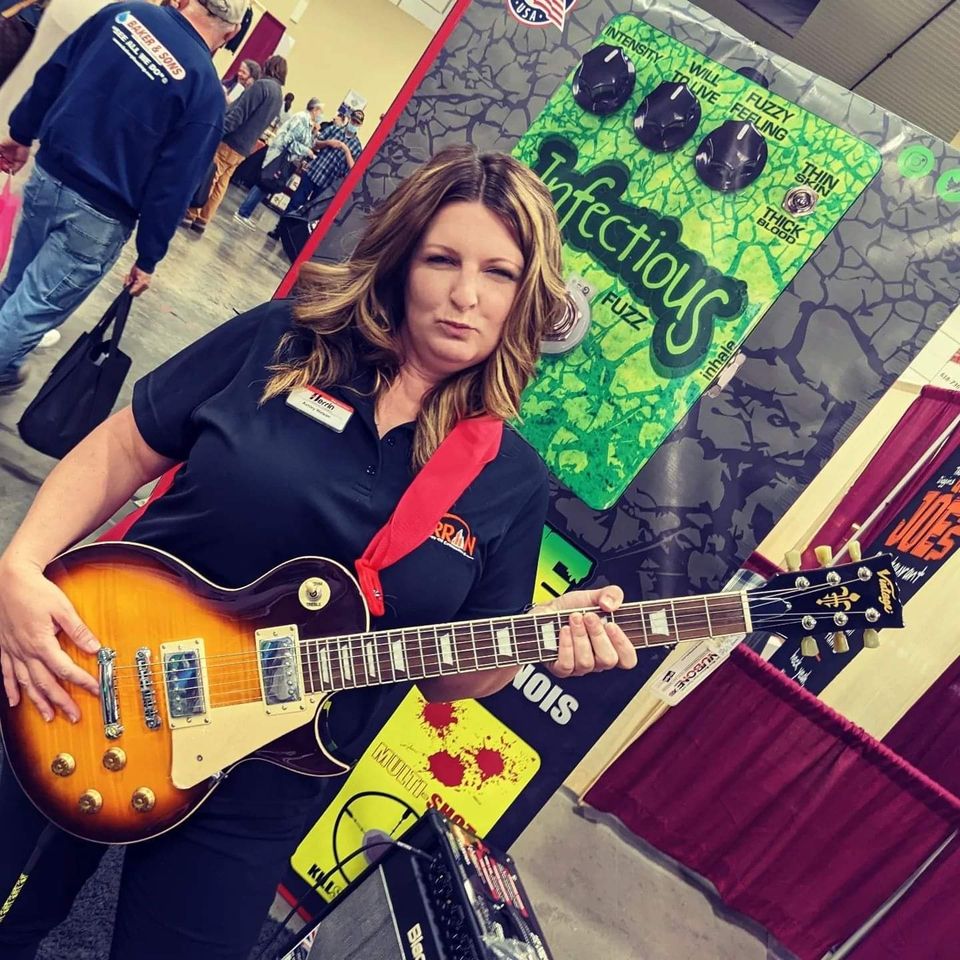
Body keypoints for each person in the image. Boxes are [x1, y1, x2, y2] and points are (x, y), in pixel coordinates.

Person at [0, 145, 639, 959]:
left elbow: (451, 676)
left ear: (528, 296)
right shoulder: (285, 340)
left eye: (500, 273)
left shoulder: (510, 480)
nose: (466, 295)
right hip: (100, 681)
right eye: (443, 259)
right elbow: (124, 450)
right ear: (404, 258)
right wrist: (19, 566)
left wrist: (544, 637)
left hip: (269, 779)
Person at [0, 0, 244, 396]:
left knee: (16, 286)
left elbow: (56, 71)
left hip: (49, 175)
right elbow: (174, 184)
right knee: (32, 309)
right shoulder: (204, 92)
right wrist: (148, 257)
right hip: (99, 216)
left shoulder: (125, 14)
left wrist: (22, 132)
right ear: (231, 33)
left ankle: (6, 365)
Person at [182, 53, 286, 233]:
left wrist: (219, 131)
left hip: (231, 140)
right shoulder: (278, 96)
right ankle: (203, 219)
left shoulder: (261, 86)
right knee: (222, 182)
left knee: (211, 176)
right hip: (246, 147)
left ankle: (191, 213)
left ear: (270, 65)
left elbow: (239, 114)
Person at [234, 95, 323, 226]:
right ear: (315, 109)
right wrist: (306, 151)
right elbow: (289, 139)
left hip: (288, 160)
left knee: (268, 186)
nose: (321, 115)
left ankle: (247, 212)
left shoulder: (309, 125)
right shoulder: (301, 118)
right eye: (320, 112)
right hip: (280, 156)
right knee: (264, 183)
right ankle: (243, 211)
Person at [286, 106, 364, 214]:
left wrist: (346, 151)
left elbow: (353, 170)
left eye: (357, 123)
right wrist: (328, 143)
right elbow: (314, 144)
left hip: (327, 184)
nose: (354, 124)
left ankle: (293, 230)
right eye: (353, 121)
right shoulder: (334, 130)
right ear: (349, 119)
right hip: (313, 172)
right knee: (295, 203)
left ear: (360, 126)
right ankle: (279, 230)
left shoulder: (357, 146)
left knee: (310, 213)